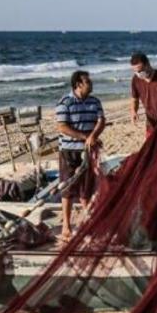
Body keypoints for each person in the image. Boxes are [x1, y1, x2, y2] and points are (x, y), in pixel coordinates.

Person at [55, 71, 106, 240]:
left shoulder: (95, 101)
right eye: (87, 81)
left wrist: (94, 135)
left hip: (88, 151)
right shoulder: (65, 102)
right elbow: (62, 127)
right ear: (78, 84)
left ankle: (88, 223)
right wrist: (86, 137)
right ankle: (66, 226)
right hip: (69, 151)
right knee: (68, 188)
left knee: (87, 187)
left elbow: (101, 120)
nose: (91, 83)